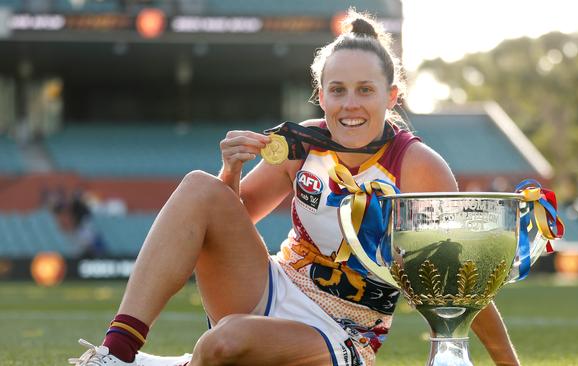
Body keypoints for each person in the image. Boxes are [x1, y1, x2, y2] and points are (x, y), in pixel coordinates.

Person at [70, 10, 520, 366]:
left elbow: (462, 285)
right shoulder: (302, 142)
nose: (350, 104)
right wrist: (230, 170)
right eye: (337, 90)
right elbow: (226, 219)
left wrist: (508, 364)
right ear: (320, 95)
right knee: (199, 187)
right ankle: (116, 353)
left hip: (343, 332)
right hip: (272, 287)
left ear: (391, 96)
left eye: (365, 90)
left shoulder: (418, 167)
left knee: (220, 346)